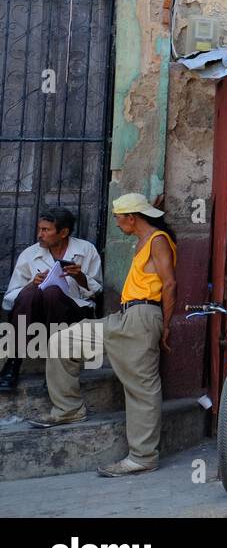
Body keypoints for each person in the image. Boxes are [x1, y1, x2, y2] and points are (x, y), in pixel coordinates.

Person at [29, 193, 177, 478]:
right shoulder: (147, 238)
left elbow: (170, 284)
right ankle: (68, 408)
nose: (117, 223)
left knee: (141, 389)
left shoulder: (157, 240)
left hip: (142, 317)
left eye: (119, 218)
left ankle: (143, 456)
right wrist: (154, 209)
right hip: (123, 317)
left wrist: (166, 326)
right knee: (62, 341)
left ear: (131, 218)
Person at [1, 207, 103, 389]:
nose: (40, 234)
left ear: (63, 232)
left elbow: (95, 293)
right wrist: (32, 284)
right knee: (33, 292)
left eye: (46, 230)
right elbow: (10, 298)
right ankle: (14, 361)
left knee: (53, 292)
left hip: (72, 314)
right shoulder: (30, 254)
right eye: (39, 229)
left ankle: (57, 368)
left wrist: (79, 276)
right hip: (34, 317)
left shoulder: (86, 250)